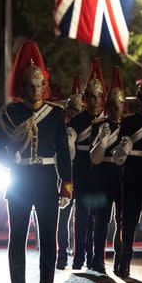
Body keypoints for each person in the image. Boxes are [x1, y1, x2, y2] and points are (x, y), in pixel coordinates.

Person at [0, 40, 72, 283]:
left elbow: (63, 153)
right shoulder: (12, 113)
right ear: (23, 86)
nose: (35, 90)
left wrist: (67, 184)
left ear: (44, 86)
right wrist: (9, 161)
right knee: (18, 242)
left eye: (39, 86)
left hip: (48, 181)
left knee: (49, 243)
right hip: (21, 182)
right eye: (31, 86)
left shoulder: (56, 113)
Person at [111, 61, 142, 279]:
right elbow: (119, 152)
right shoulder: (129, 121)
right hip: (132, 174)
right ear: (139, 99)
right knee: (128, 221)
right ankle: (125, 261)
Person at [67, 59, 105, 270]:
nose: (95, 100)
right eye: (90, 96)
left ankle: (95, 258)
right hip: (81, 172)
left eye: (98, 96)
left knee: (98, 219)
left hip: (100, 174)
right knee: (81, 217)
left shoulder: (107, 121)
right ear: (85, 98)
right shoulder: (77, 120)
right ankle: (79, 256)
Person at [88, 67, 126, 274]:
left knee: (122, 221)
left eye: (119, 104)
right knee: (101, 220)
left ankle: (120, 260)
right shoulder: (98, 125)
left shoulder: (128, 125)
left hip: (122, 175)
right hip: (103, 175)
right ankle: (98, 259)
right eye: (112, 104)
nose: (116, 108)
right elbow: (95, 155)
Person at [56, 75, 84, 270]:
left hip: (81, 176)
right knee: (63, 217)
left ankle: (79, 256)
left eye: (78, 109)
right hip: (67, 177)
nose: (76, 112)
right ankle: (61, 255)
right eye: (73, 109)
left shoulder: (86, 127)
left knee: (83, 217)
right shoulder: (62, 128)